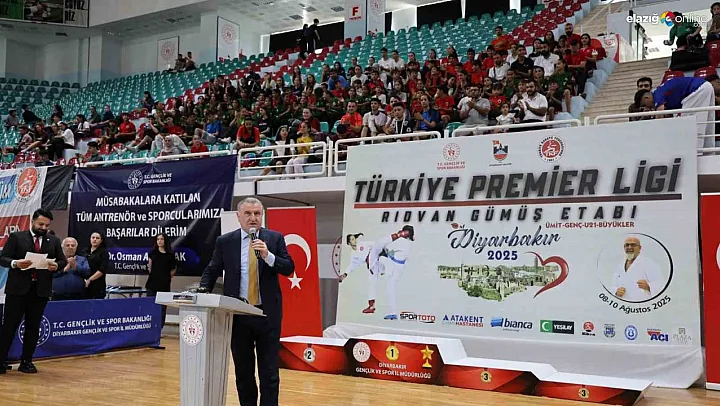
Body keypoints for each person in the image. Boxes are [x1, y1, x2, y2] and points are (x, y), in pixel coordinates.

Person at [199, 197, 294, 406]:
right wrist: (202, 290)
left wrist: (268, 256)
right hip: (238, 315)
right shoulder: (225, 241)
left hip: (267, 315)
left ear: (262, 215)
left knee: (269, 373)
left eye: (257, 213)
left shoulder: (275, 238)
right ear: (238, 216)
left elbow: (289, 268)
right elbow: (212, 269)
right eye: (248, 214)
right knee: (243, 373)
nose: (253, 218)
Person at [0, 209, 66, 374]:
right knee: (9, 326)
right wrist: (15, 263)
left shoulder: (54, 240)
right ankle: (1, 361)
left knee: (33, 326)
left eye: (47, 225)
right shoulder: (17, 237)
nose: (43, 227)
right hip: (17, 290)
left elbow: (62, 261)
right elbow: (3, 258)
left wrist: (56, 266)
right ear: (32, 221)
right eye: (40, 224)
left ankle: (27, 361)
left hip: (40, 291)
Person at [651, 74, 720, 146]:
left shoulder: (657, 93)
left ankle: (695, 151)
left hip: (696, 89)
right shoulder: (667, 97)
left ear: (646, 98)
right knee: (708, 125)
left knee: (690, 127)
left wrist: (658, 134)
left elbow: (659, 115)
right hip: (706, 86)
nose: (650, 109)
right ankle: (708, 150)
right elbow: (669, 116)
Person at [367, 225, 414, 320]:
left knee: (381, 259)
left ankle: (393, 312)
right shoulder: (409, 243)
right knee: (390, 287)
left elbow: (387, 247)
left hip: (394, 266)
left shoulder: (401, 241)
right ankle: (393, 312)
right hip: (399, 267)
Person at [613, 236, 662, 302]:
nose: (629, 247)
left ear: (639, 248)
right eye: (627, 245)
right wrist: (616, 292)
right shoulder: (620, 265)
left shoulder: (649, 263)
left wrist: (648, 286)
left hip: (642, 304)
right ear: (624, 247)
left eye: (633, 245)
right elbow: (614, 285)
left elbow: (660, 284)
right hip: (624, 304)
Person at [339, 233, 379, 314]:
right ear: (349, 243)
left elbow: (376, 244)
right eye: (352, 239)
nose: (355, 241)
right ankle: (371, 306)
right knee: (371, 283)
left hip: (379, 259)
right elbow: (353, 265)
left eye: (354, 238)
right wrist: (345, 274)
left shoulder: (363, 244)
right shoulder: (353, 254)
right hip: (372, 266)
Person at [146, 233, 176, 331]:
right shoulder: (152, 253)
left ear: (165, 241)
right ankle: (150, 328)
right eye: (158, 239)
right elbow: (150, 268)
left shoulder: (170, 255)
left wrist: (166, 277)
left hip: (164, 285)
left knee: (162, 309)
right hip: (152, 284)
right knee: (151, 307)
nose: (159, 241)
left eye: (161, 239)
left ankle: (159, 329)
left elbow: (173, 269)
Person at [83, 231, 109, 299]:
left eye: (97, 238)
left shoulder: (103, 252)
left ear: (101, 240)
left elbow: (102, 270)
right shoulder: (85, 251)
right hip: (84, 284)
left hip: (97, 285)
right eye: (93, 237)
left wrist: (90, 279)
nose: (95, 239)